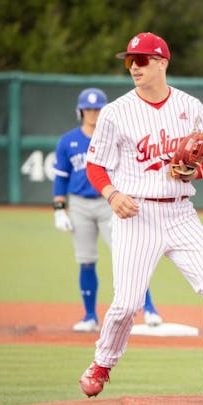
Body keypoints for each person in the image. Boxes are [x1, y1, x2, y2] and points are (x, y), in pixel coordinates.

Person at [77, 32, 203, 403]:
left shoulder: (190, 105)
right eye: (130, 61)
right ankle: (102, 362)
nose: (135, 67)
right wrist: (112, 195)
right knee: (128, 303)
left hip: (181, 212)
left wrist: (194, 172)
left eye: (143, 60)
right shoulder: (116, 111)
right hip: (136, 213)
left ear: (162, 62)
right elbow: (95, 165)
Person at [53, 88, 162, 332]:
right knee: (86, 260)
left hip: (110, 202)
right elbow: (60, 177)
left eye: (97, 109)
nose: (93, 113)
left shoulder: (116, 137)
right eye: (88, 109)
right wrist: (59, 208)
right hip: (79, 204)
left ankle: (150, 309)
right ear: (80, 111)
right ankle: (90, 316)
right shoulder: (68, 141)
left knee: (130, 258)